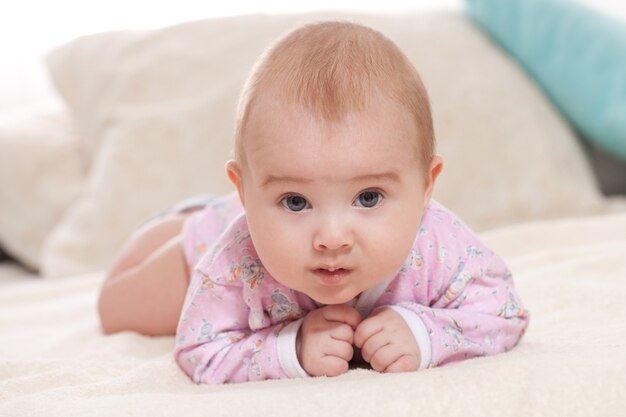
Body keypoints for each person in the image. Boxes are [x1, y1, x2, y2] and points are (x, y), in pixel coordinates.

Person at [97, 21, 529, 385]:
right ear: (246, 190)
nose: (332, 238)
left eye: (368, 197)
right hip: (211, 234)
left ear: (426, 186)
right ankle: (187, 218)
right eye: (297, 201)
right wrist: (291, 348)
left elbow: (504, 310)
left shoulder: (438, 244)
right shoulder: (232, 260)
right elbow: (199, 349)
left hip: (258, 215)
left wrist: (426, 333)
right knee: (115, 309)